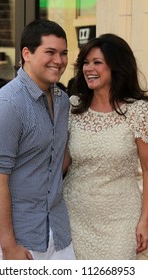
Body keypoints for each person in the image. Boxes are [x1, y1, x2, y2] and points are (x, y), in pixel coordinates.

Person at [0, 19, 75, 260]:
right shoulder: (8, 104)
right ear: (27, 54)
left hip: (54, 228)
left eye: (63, 53)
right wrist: (8, 246)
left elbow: (58, 157)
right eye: (50, 52)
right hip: (11, 237)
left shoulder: (61, 100)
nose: (59, 61)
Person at [63, 33, 148, 260]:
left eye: (97, 62)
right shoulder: (73, 108)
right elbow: (62, 162)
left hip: (122, 221)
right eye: (85, 63)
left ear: (117, 66)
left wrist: (145, 221)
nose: (89, 68)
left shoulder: (138, 111)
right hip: (75, 218)